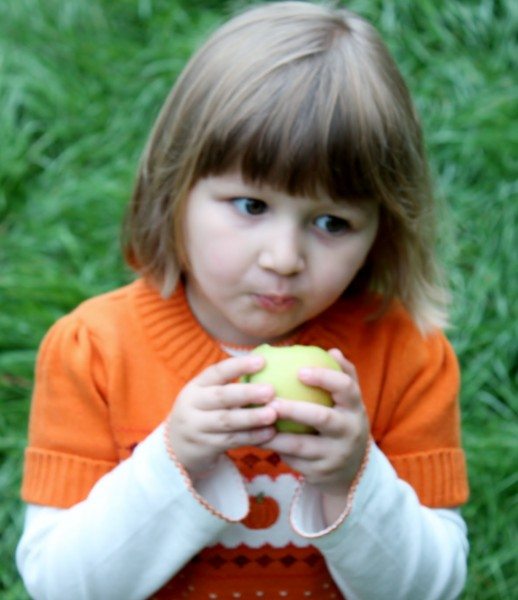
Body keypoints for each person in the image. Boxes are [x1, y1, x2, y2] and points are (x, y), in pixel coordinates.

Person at [16, 2, 470, 598]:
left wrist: (354, 477)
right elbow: (61, 585)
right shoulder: (94, 352)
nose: (284, 257)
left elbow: (431, 589)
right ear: (175, 187)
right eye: (252, 206)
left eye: (332, 222)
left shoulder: (406, 357)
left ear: (383, 229)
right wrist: (171, 461)